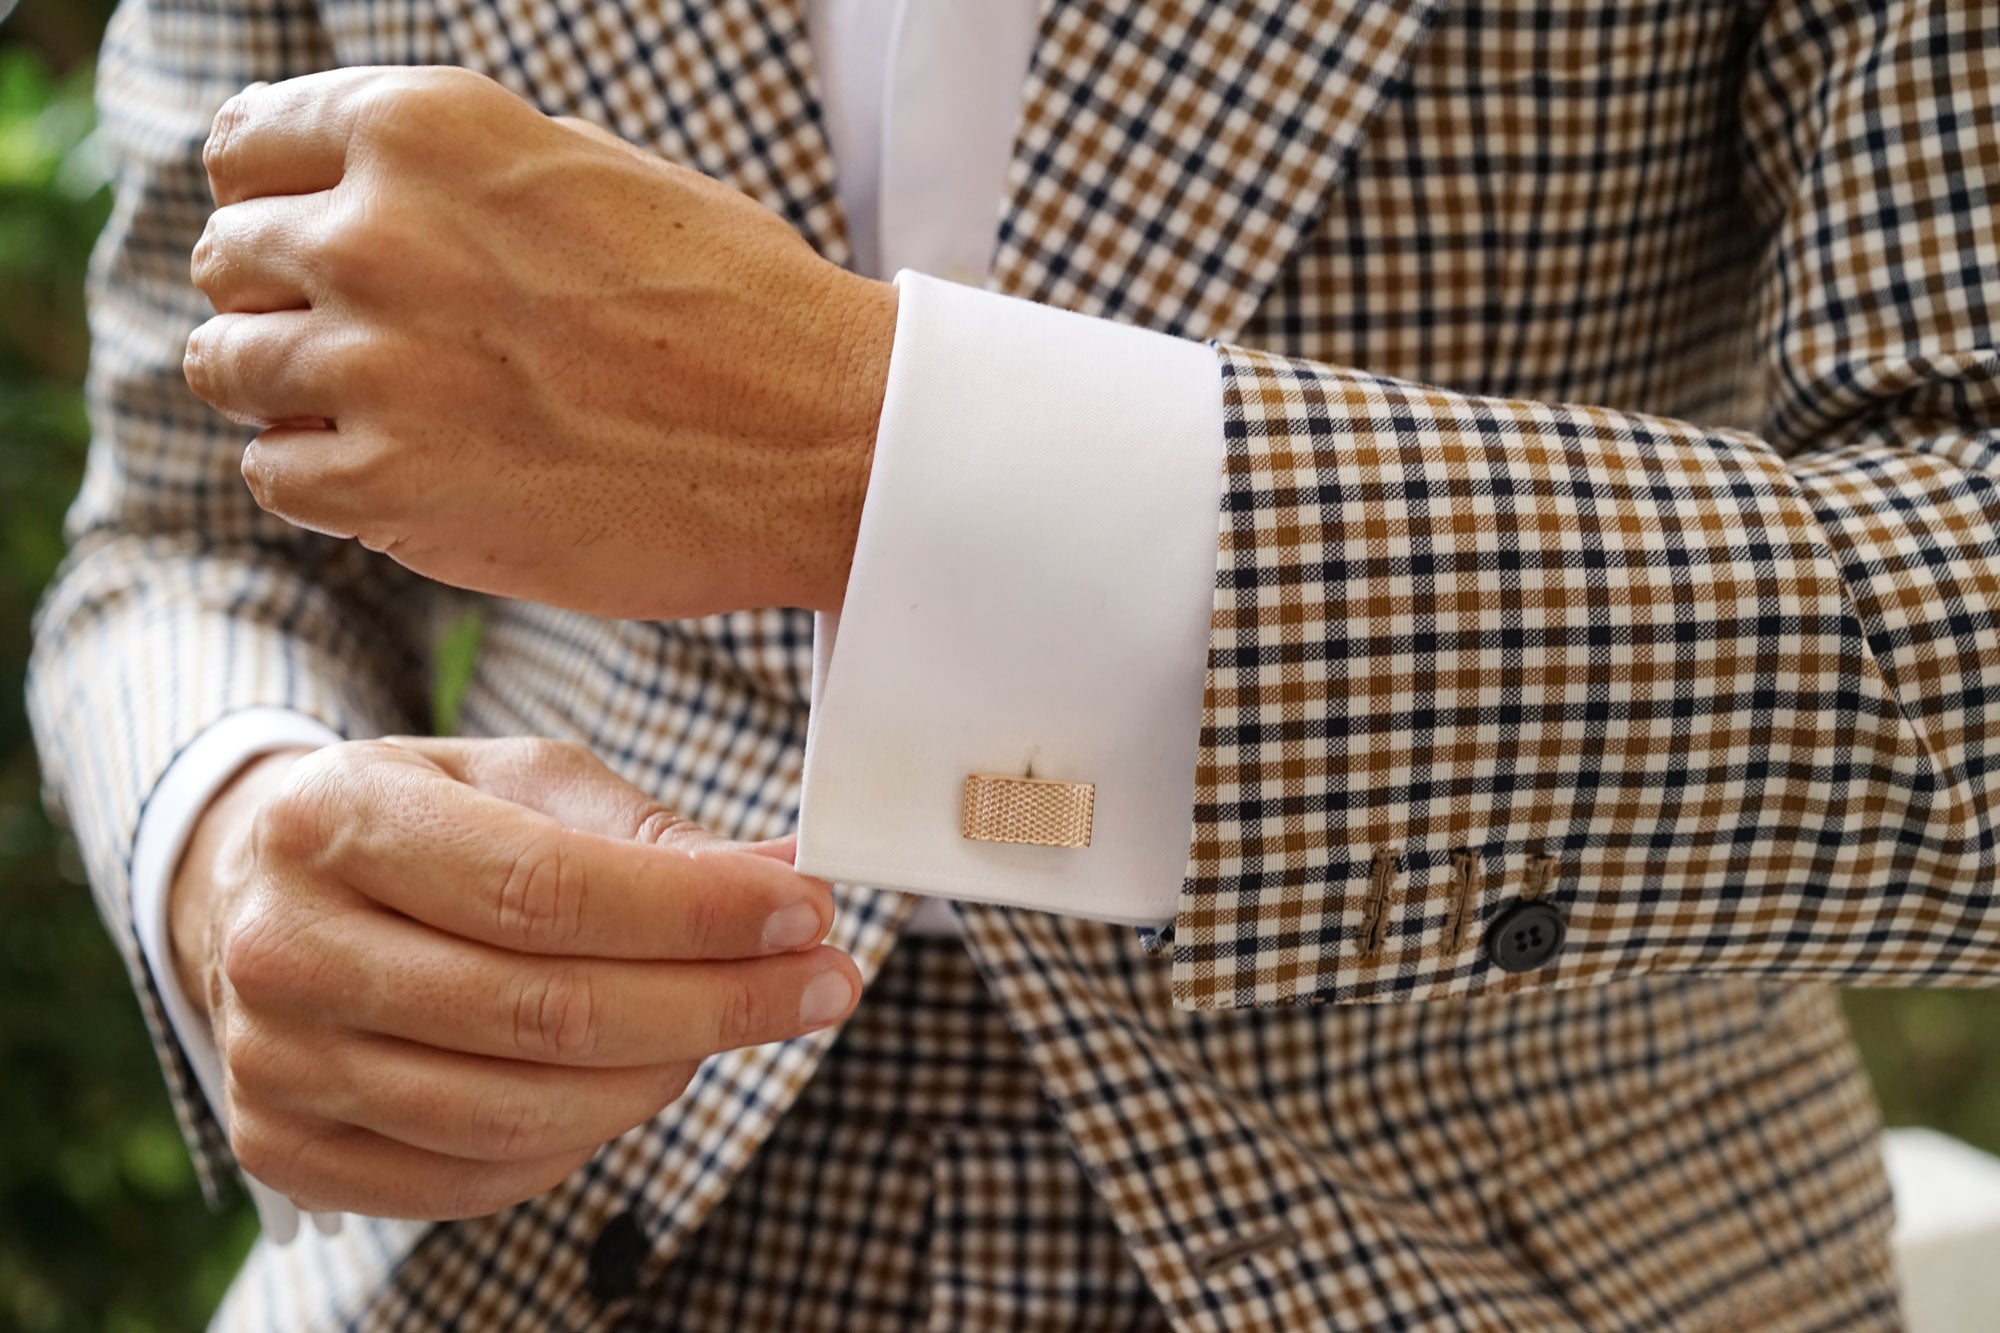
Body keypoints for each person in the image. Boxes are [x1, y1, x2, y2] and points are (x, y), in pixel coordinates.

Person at [27, 0, 1997, 1326]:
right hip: (502, 1243)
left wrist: (861, 445)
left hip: (1514, 1246)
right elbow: (180, 529)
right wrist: (230, 822)